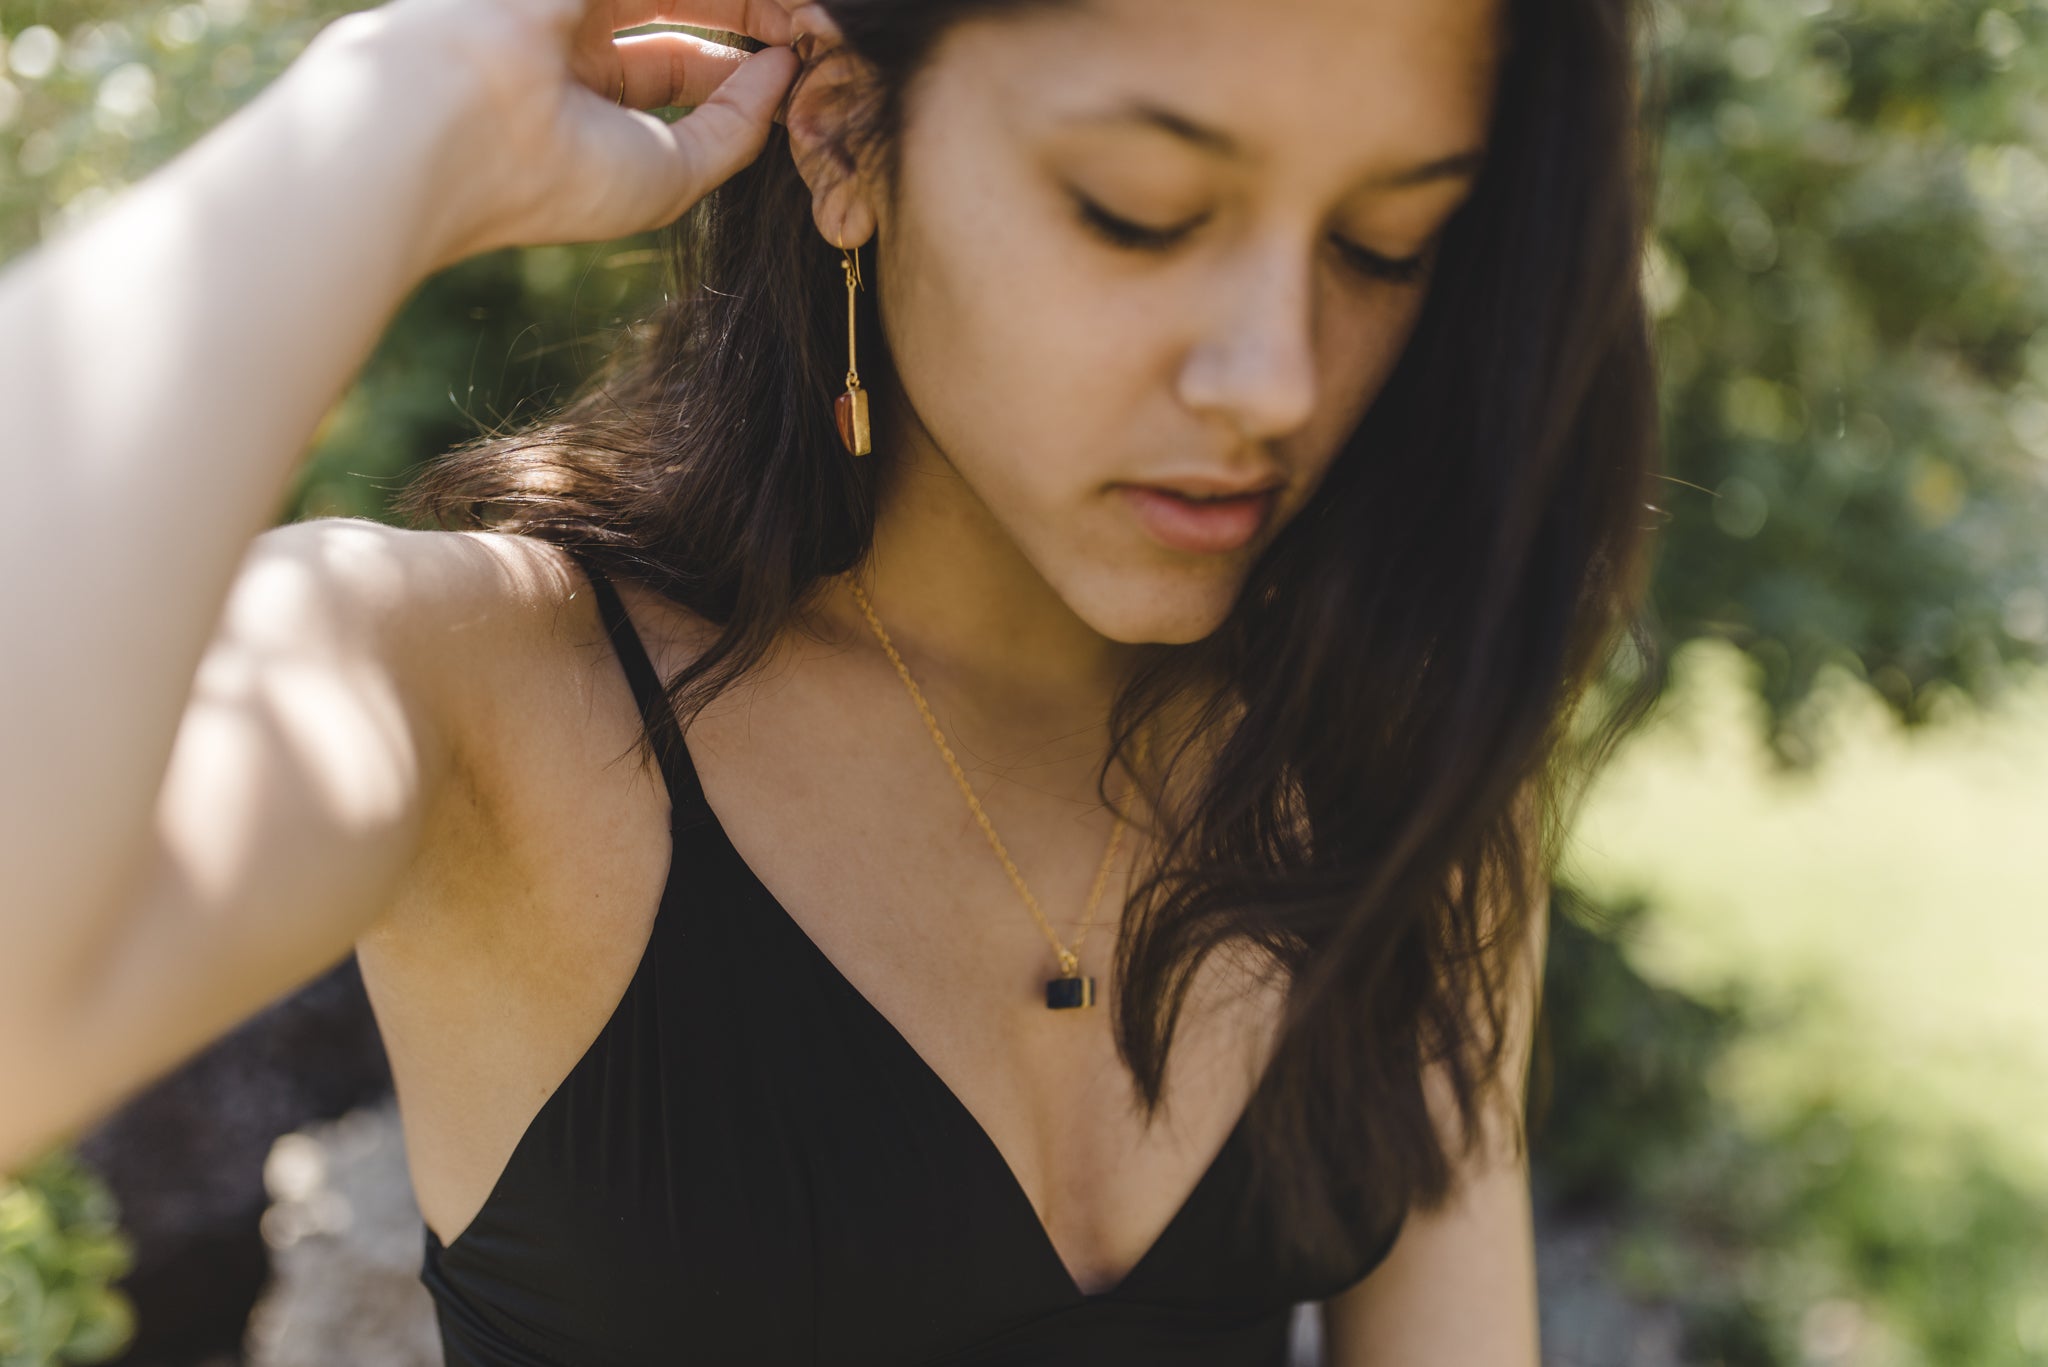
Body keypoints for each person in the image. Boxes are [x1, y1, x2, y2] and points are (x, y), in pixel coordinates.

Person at [0, 0, 1658, 1358]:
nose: (1274, 379)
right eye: (1138, 213)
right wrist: (399, 115)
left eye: (1387, 244)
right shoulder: (479, 688)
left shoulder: (1383, 756)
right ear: (850, 135)